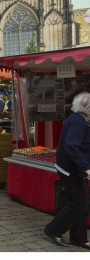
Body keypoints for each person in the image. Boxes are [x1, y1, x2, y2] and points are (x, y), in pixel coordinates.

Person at [44, 92, 90, 249]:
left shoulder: (78, 119)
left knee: (82, 203)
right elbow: (71, 146)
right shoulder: (79, 122)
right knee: (79, 203)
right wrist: (86, 167)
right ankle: (53, 229)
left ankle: (79, 237)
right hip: (71, 170)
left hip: (73, 169)